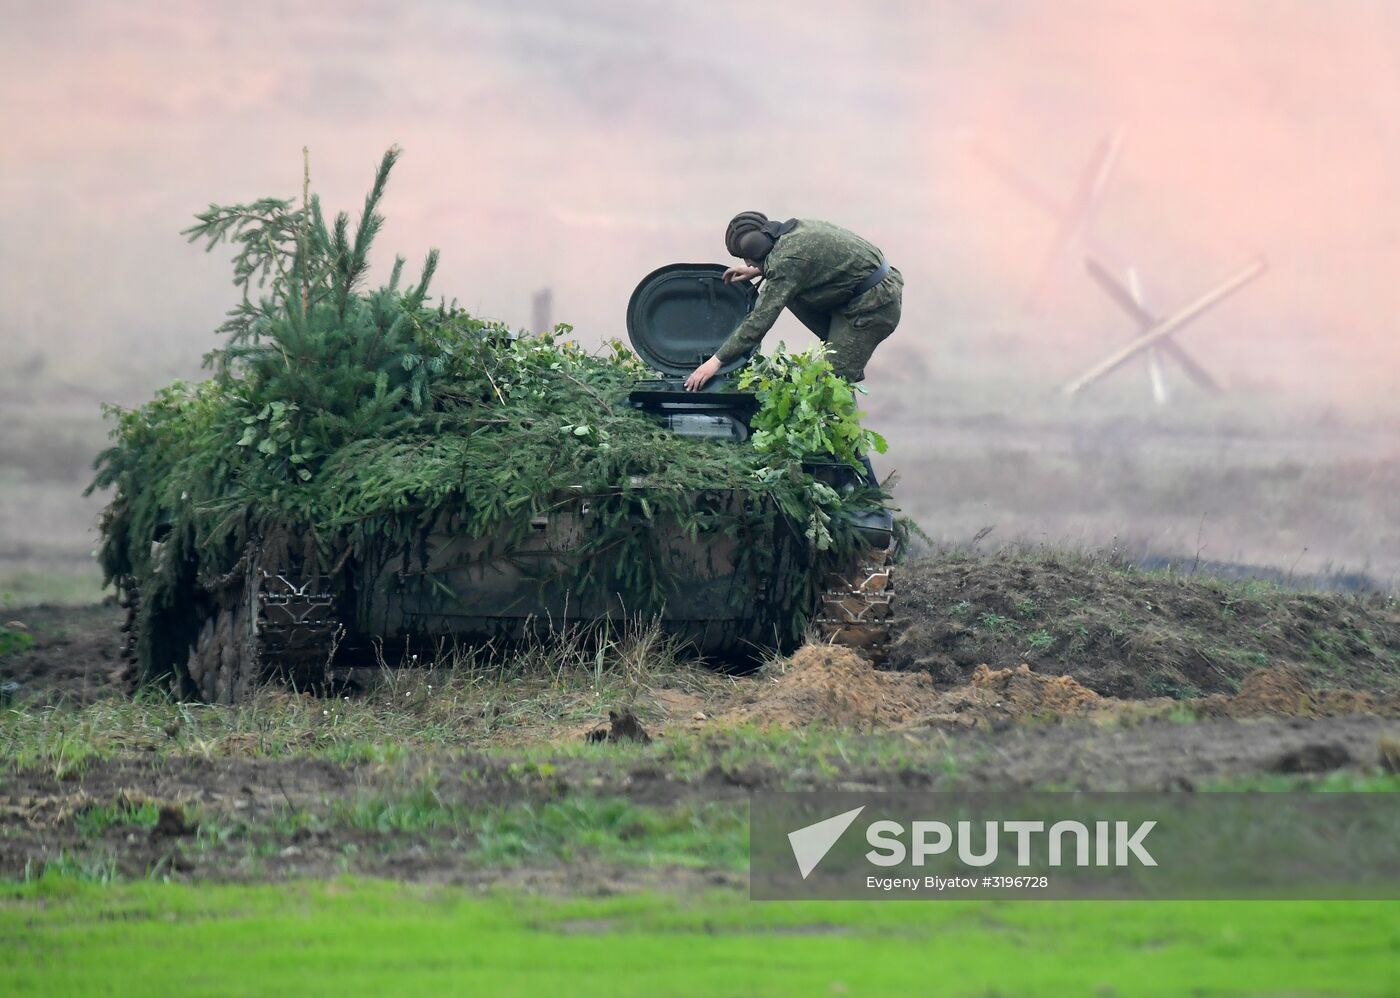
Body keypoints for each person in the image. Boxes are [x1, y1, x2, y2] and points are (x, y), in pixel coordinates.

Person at [684, 211, 903, 391]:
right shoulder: (792, 233)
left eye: (745, 257)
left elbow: (758, 322)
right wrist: (761, 270)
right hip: (861, 293)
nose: (746, 262)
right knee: (831, 375)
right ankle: (844, 354)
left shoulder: (786, 264)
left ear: (753, 249)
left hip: (873, 306)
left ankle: (843, 443)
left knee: (827, 385)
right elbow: (802, 263)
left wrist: (715, 362)